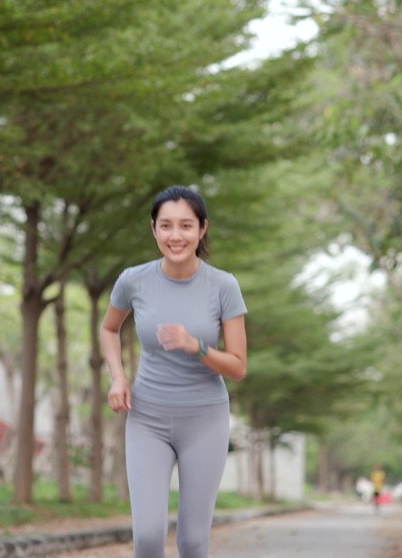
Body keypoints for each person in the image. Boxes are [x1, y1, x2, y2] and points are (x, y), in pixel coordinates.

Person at [101, 185, 248, 558]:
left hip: (205, 420)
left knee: (193, 541)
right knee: (149, 537)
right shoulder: (134, 280)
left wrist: (196, 346)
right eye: (166, 226)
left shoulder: (223, 286)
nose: (175, 235)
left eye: (186, 226)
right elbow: (109, 328)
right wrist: (118, 376)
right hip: (147, 416)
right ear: (154, 229)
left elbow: (238, 366)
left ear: (202, 229)